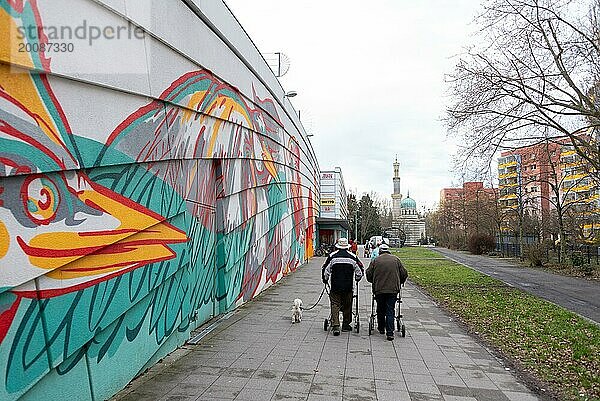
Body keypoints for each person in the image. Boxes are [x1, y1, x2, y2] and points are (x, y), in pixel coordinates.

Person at [366, 243, 408, 341]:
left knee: (380, 308)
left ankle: (381, 328)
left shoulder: (375, 261)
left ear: (380, 251)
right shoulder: (396, 260)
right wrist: (400, 282)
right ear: (389, 250)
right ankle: (390, 333)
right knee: (390, 309)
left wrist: (373, 281)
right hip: (393, 290)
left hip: (379, 289)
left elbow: (368, 274)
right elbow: (404, 273)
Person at [322, 237, 363, 336]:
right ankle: (345, 324)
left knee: (335, 304)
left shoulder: (332, 256)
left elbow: (325, 270)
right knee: (347, 304)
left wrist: (325, 280)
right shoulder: (353, 257)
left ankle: (336, 325)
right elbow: (360, 271)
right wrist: (357, 278)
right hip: (348, 286)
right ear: (347, 247)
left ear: (338, 246)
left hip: (335, 286)